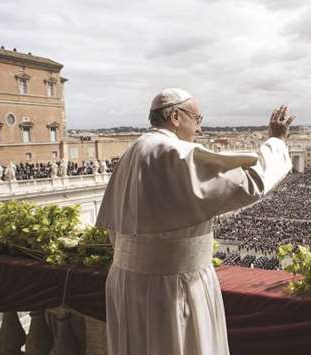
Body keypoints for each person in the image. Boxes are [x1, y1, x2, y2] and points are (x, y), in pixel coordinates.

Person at [96, 88, 294, 355]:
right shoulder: (173, 153)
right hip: (173, 286)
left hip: (126, 281)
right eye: (197, 119)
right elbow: (250, 183)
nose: (199, 129)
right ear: (176, 116)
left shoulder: (133, 151)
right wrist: (277, 142)